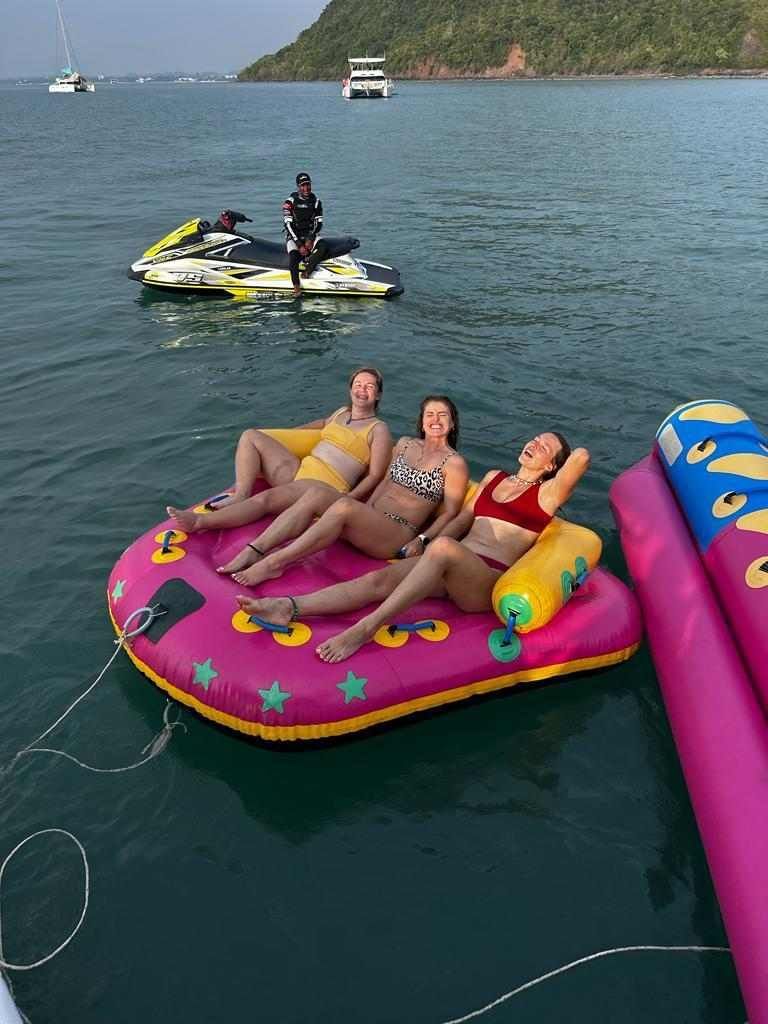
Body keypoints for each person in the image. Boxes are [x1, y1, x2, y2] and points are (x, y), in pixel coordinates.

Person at [236, 432, 590, 663]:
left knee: (446, 548)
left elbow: (582, 458)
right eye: (534, 439)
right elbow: (460, 521)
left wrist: (559, 461)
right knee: (380, 580)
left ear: (551, 467)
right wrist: (423, 541)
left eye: (544, 447)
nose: (533, 443)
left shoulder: (546, 495)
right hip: (448, 559)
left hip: (484, 580)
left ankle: (365, 628)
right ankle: (289, 607)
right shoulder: (495, 478)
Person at [225, 396, 470, 587]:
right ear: (422, 419)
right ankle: (255, 549)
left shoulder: (454, 463)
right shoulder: (405, 444)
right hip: (371, 519)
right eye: (430, 414)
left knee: (343, 506)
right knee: (317, 491)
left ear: (452, 422)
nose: (435, 420)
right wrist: (366, 509)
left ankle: (274, 563)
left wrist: (422, 540)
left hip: (397, 532)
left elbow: (448, 513)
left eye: (442, 415)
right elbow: (384, 483)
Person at [167, 367, 392, 535]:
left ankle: (199, 523)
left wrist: (347, 499)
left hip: (323, 488)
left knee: (265, 500)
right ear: (350, 388)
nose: (362, 390)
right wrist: (283, 438)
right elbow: (323, 423)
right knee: (251, 436)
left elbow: (375, 475)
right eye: (358, 384)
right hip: (300, 472)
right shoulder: (342, 412)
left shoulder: (378, 429)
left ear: (379, 395)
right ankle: (242, 494)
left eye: (369, 386)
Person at [283, 172, 328, 297]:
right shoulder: (289, 202)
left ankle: (307, 272)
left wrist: (310, 239)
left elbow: (319, 223)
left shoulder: (316, 202)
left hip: (310, 235)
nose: (306, 188)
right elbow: (287, 225)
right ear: (298, 186)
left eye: (308, 184)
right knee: (293, 258)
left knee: (324, 246)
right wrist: (299, 244)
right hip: (294, 236)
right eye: (303, 185)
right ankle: (296, 287)